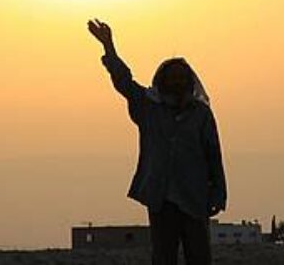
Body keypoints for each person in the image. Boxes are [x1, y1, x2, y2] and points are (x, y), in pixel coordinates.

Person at [88, 18, 226, 265]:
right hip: (160, 195)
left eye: (182, 78)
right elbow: (124, 82)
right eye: (171, 78)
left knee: (200, 256)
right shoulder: (149, 107)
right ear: (161, 81)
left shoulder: (200, 113)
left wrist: (218, 194)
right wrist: (109, 48)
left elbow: (213, 154)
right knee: (163, 256)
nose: (177, 82)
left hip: (194, 194)